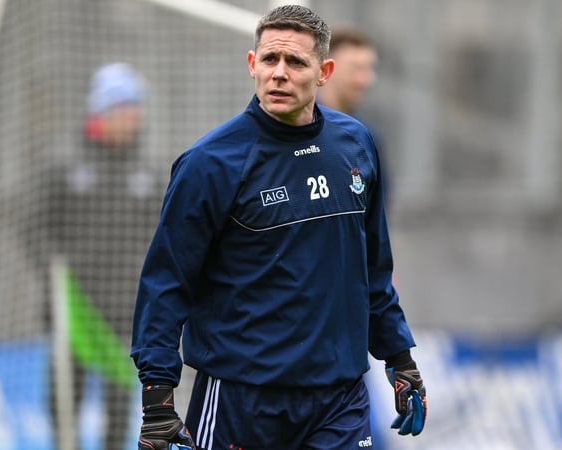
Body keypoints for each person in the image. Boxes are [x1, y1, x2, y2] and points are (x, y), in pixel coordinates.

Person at [131, 5, 427, 450]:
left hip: (339, 399)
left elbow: (372, 269)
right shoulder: (209, 164)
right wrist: (157, 397)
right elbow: (166, 282)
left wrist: (399, 358)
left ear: (324, 72)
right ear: (253, 64)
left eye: (296, 62)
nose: (280, 74)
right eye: (270, 59)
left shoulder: (357, 144)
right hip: (242, 399)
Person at [48, 62, 161, 450]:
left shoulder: (148, 174)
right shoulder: (65, 168)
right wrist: (53, 269)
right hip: (73, 310)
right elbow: (34, 225)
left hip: (123, 312)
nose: (134, 118)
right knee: (64, 400)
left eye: (137, 109)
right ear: (104, 111)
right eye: (127, 108)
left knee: (118, 404)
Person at [317, 27, 378, 116]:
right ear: (326, 69)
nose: (366, 80)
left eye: (368, 69)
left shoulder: (360, 124)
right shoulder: (299, 119)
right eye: (355, 68)